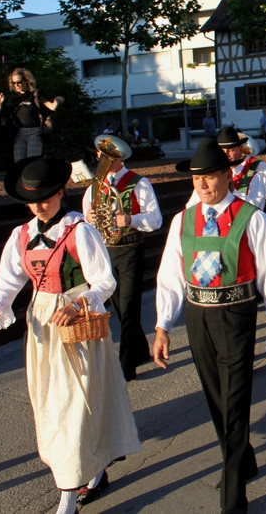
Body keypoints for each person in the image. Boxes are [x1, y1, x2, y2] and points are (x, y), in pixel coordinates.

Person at [0, 157, 140, 514]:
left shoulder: (80, 231)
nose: (39, 206)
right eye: (33, 201)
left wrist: (79, 303)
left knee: (73, 406)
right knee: (50, 405)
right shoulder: (20, 235)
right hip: (41, 328)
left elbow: (104, 281)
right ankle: (92, 470)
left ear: (61, 193)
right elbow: (8, 282)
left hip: (76, 326)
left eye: (46, 198)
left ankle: (68, 491)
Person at [154, 139, 266, 514]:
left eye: (210, 176)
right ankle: (243, 459)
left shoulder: (253, 218)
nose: (202, 184)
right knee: (216, 397)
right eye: (197, 178)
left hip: (236, 316)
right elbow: (170, 275)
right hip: (198, 316)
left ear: (228, 176)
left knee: (234, 400)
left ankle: (233, 496)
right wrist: (163, 326)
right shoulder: (183, 220)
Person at [82, 134, 163, 381]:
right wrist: (89, 218)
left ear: (119, 158)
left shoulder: (139, 183)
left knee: (128, 307)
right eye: (101, 155)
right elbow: (86, 218)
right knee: (120, 308)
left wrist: (131, 219)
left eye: (109, 156)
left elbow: (156, 219)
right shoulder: (94, 187)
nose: (103, 160)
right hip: (105, 252)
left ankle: (126, 367)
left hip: (129, 249)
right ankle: (140, 350)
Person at [186, 126, 266, 210]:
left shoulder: (256, 172)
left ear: (240, 149)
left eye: (231, 150)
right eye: (222, 150)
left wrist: (233, 191)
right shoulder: (211, 175)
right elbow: (191, 207)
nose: (226, 154)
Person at [0, 68, 64, 162]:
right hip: (19, 133)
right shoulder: (13, 98)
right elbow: (5, 114)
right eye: (14, 83)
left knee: (32, 161)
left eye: (19, 82)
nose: (17, 85)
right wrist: (0, 104)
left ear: (27, 81)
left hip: (34, 132)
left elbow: (51, 106)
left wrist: (57, 101)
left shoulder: (35, 94)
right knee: (19, 163)